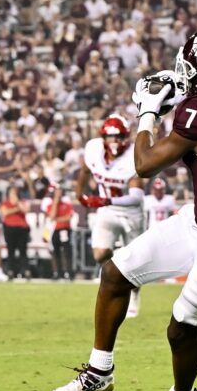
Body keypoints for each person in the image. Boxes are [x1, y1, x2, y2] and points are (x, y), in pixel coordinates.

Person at [50, 26, 197, 391]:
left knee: (182, 329)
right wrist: (181, 94)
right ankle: (100, 370)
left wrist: (148, 111)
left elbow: (145, 165)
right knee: (116, 273)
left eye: (191, 68)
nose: (184, 73)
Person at [75, 114, 145, 318]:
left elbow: (136, 197)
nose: (115, 141)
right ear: (103, 137)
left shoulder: (134, 156)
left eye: (119, 137)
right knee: (100, 253)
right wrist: (80, 194)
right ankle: (118, 271)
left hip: (131, 214)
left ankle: (134, 296)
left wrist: (105, 201)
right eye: (111, 137)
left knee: (136, 261)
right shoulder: (94, 149)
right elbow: (85, 170)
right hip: (107, 210)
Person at [45, 185, 74, 281]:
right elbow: (51, 216)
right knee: (55, 251)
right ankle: (58, 272)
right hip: (54, 230)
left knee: (66, 251)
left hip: (64, 229)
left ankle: (68, 272)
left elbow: (68, 217)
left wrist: (57, 219)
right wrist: (55, 203)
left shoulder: (67, 204)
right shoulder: (50, 205)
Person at [1, 186, 30, 280]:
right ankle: (10, 270)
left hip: (22, 228)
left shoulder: (22, 201)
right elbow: (5, 212)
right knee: (11, 251)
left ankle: (25, 270)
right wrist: (17, 209)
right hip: (10, 228)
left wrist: (17, 203)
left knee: (23, 251)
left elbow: (26, 210)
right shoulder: (5, 203)